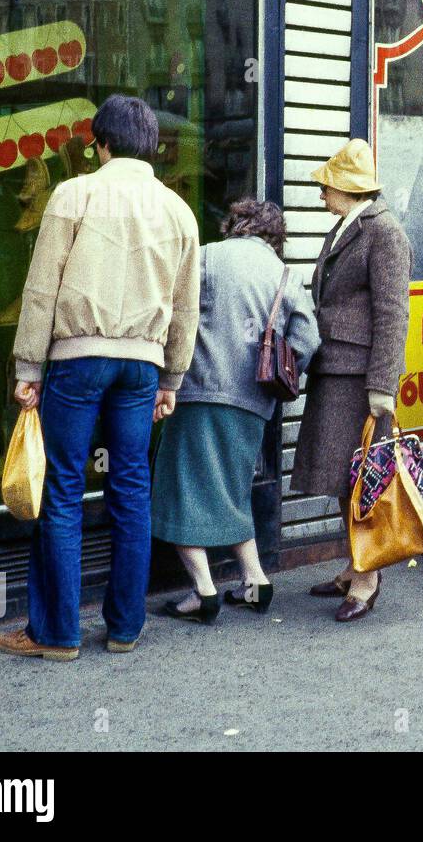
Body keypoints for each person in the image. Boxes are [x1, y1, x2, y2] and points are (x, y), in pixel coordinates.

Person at [0, 94, 201, 661]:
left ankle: (56, 634)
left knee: (62, 487)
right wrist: (172, 381)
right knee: (131, 487)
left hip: (78, 358)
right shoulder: (179, 211)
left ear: (100, 144)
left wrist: (28, 367)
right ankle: (125, 628)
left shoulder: (74, 194)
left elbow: (41, 290)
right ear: (151, 146)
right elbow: (186, 309)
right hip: (142, 365)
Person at [153, 199, 320, 623]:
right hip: (253, 402)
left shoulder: (208, 257)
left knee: (181, 491)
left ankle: (203, 592)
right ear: (275, 236)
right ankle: (256, 580)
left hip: (201, 393)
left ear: (235, 225)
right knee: (231, 492)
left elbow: (174, 316)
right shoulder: (285, 274)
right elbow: (308, 340)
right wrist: (278, 374)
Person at [293, 139, 411, 623]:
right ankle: (354, 564)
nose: (321, 192)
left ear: (346, 187)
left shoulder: (383, 232)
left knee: (364, 481)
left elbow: (393, 313)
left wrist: (382, 384)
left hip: (359, 376)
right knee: (348, 478)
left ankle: (368, 578)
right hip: (337, 368)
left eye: (327, 185)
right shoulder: (350, 226)